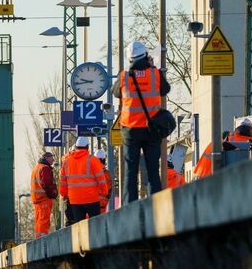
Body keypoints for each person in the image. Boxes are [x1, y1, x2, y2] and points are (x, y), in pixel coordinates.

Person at [111, 41, 171, 203]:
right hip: (151, 128)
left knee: (130, 170)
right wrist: (152, 68)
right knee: (153, 170)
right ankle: (156, 205)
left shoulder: (124, 76)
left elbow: (115, 92)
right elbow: (165, 89)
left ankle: (129, 207)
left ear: (130, 59)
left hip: (130, 130)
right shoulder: (155, 74)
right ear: (146, 56)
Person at [59, 138, 108, 223]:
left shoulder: (66, 162)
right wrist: (104, 192)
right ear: (87, 147)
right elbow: (101, 179)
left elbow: (63, 181)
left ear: (76, 147)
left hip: (75, 200)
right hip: (92, 199)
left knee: (80, 226)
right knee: (95, 225)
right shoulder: (93, 160)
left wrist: (64, 194)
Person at [30, 151, 58, 238]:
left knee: (39, 222)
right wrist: (53, 194)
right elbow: (47, 184)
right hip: (44, 199)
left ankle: (39, 237)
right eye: (51, 158)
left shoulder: (36, 168)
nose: (53, 160)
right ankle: (43, 239)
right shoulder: (45, 168)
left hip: (37, 199)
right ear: (47, 158)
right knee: (44, 221)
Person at [94, 149, 113, 214]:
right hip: (101, 205)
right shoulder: (106, 173)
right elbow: (109, 190)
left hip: (90, 204)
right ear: (104, 160)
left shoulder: (89, 172)